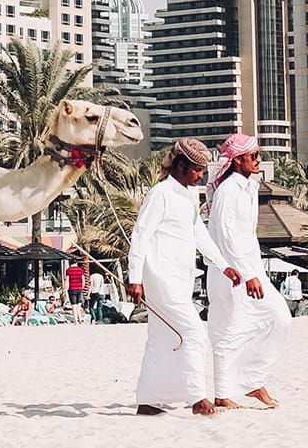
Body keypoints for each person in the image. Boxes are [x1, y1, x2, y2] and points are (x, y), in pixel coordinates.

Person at [126, 137, 242, 417]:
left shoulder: (187, 196)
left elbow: (198, 234)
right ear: (179, 165)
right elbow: (140, 235)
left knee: (160, 337)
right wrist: (134, 278)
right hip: (160, 278)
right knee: (193, 332)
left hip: (180, 278)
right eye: (196, 170)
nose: (201, 176)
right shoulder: (160, 193)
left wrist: (223, 264)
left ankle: (148, 400)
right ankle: (197, 398)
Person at [207, 132, 291, 410]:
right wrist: (246, 274)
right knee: (227, 329)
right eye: (253, 155)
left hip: (252, 267)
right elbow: (227, 237)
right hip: (230, 272)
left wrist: (254, 271)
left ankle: (252, 380)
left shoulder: (249, 188)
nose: (259, 160)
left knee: (279, 318)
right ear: (237, 160)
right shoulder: (228, 191)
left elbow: (245, 237)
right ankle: (223, 393)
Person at [65, 257, 87, 323]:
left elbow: (67, 280)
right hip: (79, 288)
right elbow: (83, 280)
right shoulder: (80, 270)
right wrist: (82, 287)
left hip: (72, 289)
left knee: (74, 305)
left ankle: (75, 321)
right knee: (78, 305)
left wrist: (66, 290)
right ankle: (80, 318)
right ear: (76, 263)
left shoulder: (68, 270)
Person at [87, 259, 107, 323]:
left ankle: (93, 318)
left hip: (94, 292)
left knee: (91, 307)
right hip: (101, 292)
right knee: (99, 308)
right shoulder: (101, 276)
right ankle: (100, 320)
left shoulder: (92, 276)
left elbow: (91, 286)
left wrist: (88, 294)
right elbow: (102, 285)